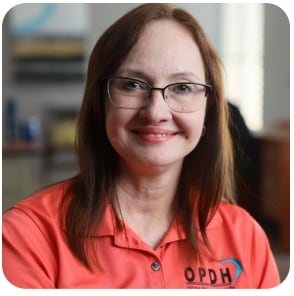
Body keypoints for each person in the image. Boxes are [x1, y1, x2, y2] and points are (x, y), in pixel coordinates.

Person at [2, 3, 280, 289]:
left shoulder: (245, 236)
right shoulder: (28, 236)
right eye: (133, 85)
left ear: (207, 110)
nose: (156, 112)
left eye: (182, 87)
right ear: (101, 103)